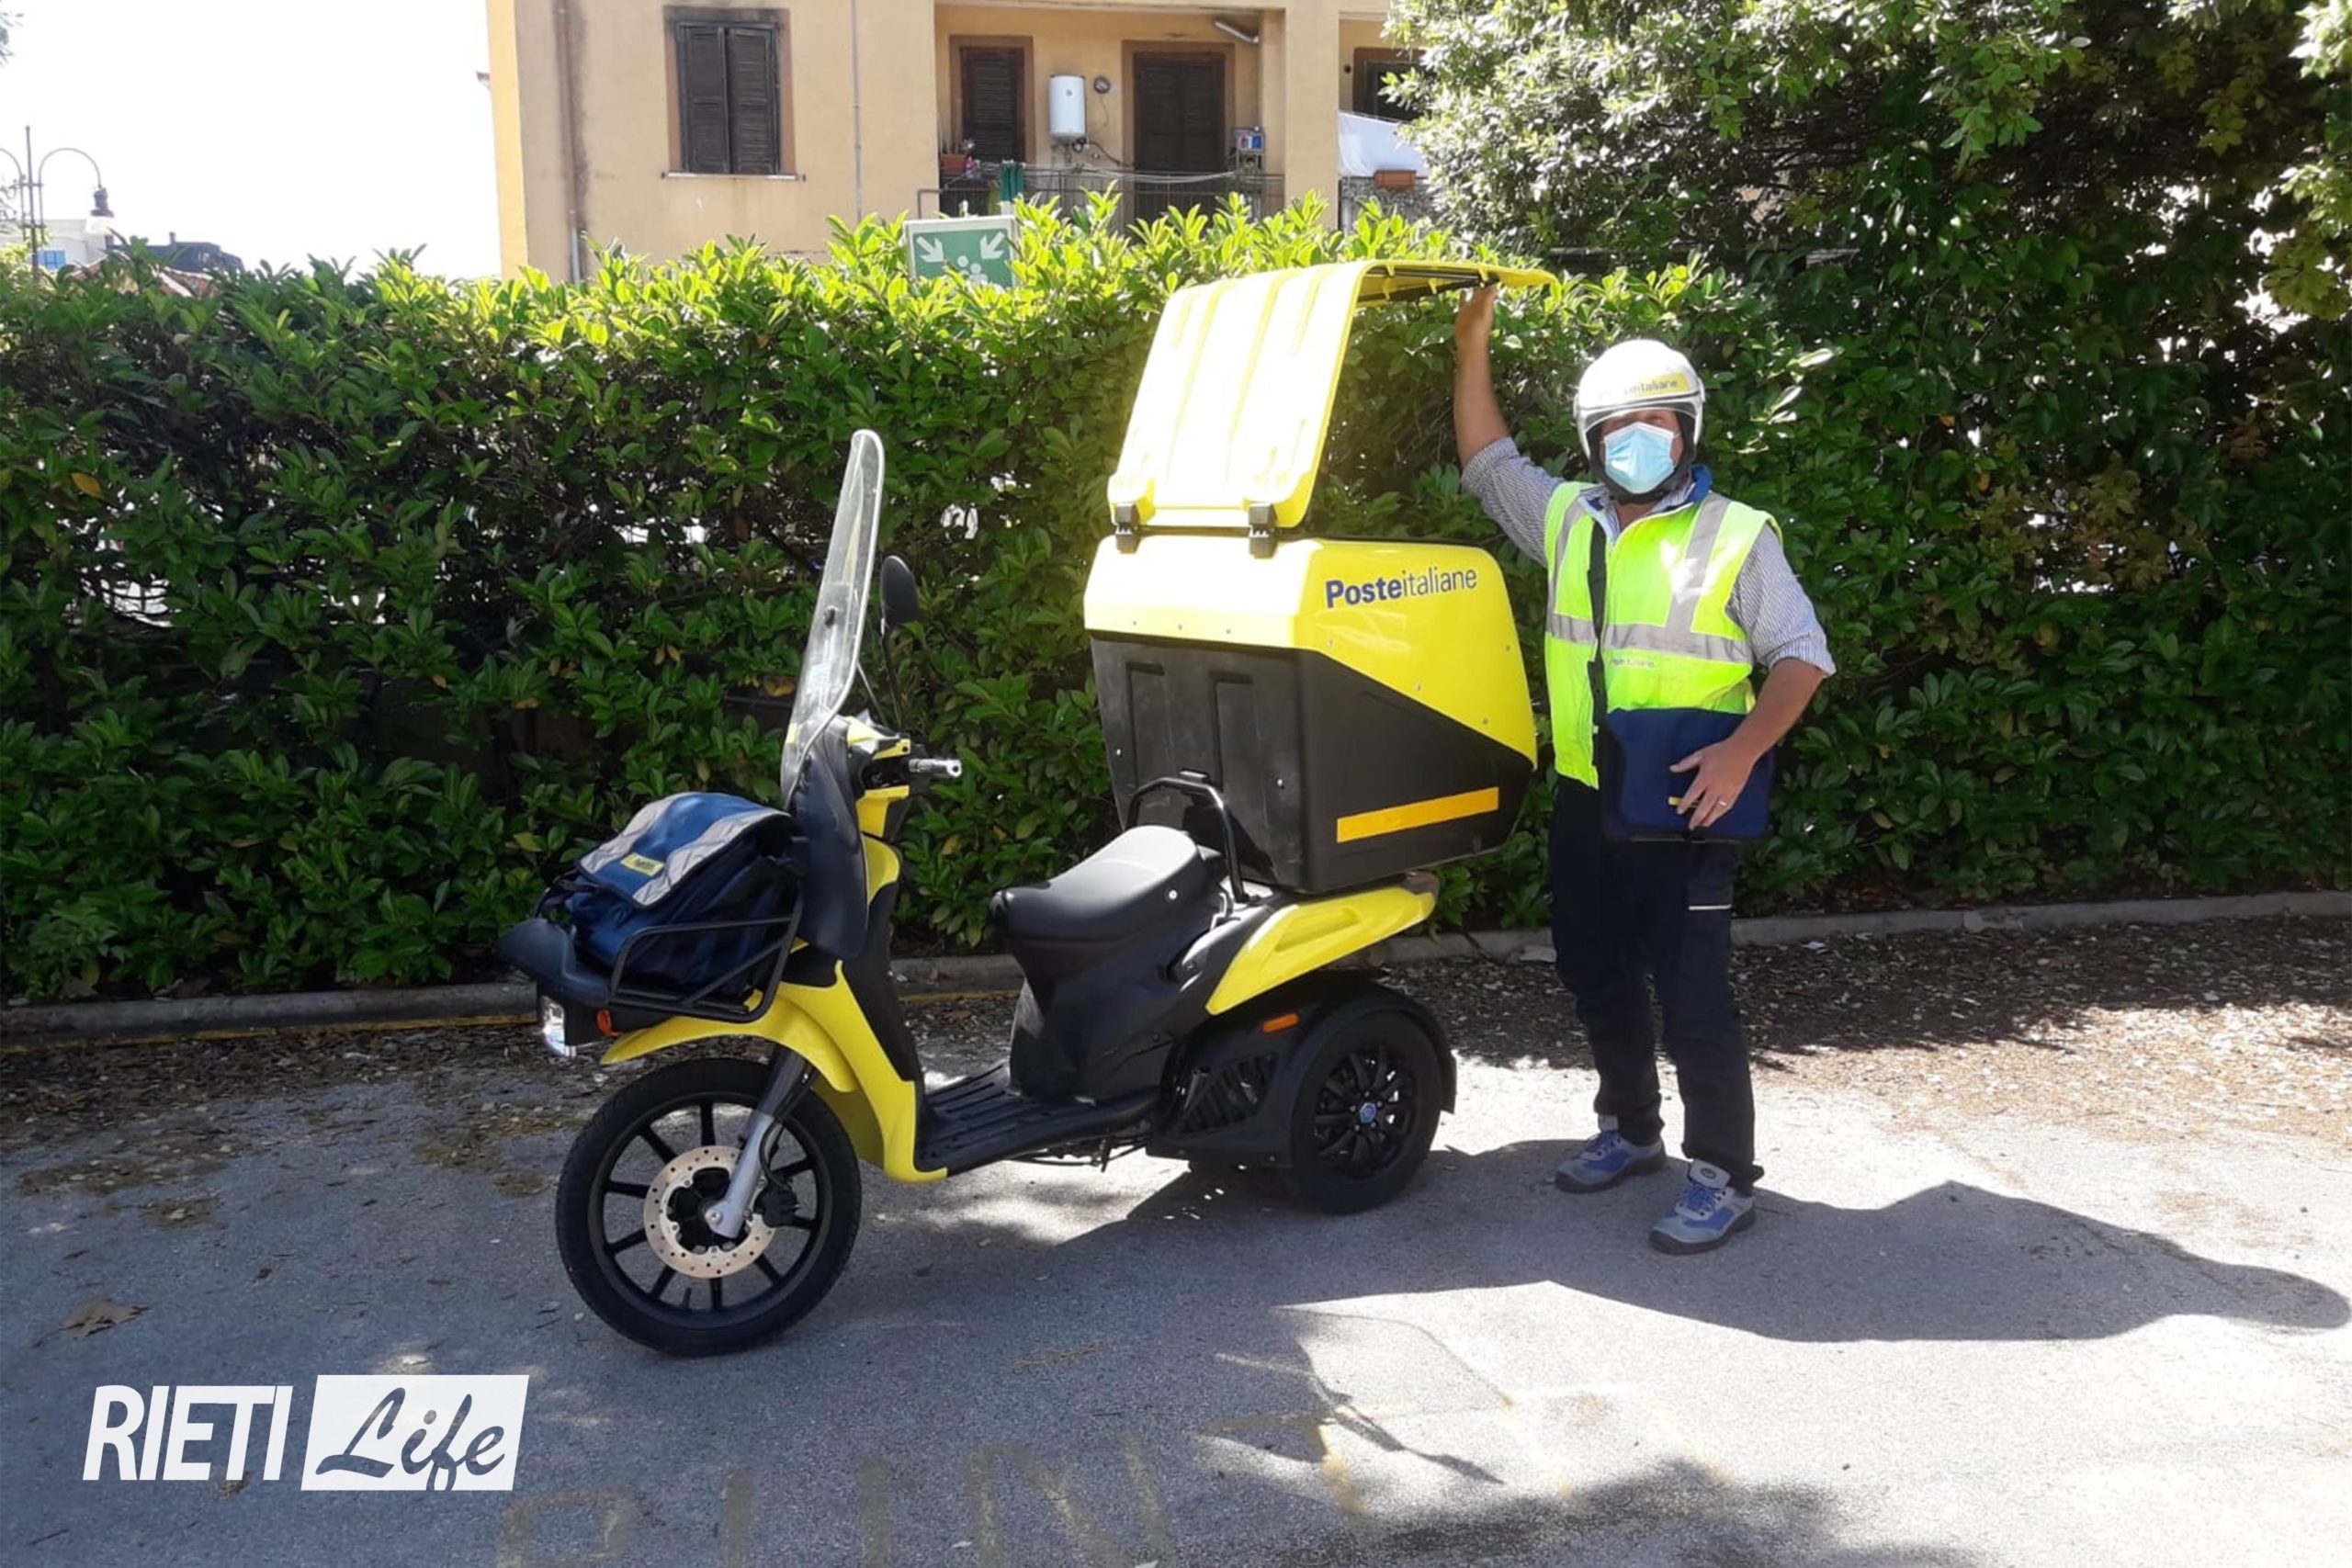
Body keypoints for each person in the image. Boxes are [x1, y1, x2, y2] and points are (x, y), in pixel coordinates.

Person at [1452, 285, 1834, 1254]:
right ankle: (1629, 1130)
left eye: (1659, 425)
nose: (1640, 443)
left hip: (1690, 805)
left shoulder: (1735, 535)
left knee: (1693, 996)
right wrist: (1472, 341)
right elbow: (1488, 462)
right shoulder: (1568, 519)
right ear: (1593, 441)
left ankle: (1723, 1176)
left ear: (1688, 432)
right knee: (1596, 974)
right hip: (1589, 798)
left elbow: (1801, 655)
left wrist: (1744, 752)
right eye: (1620, 429)